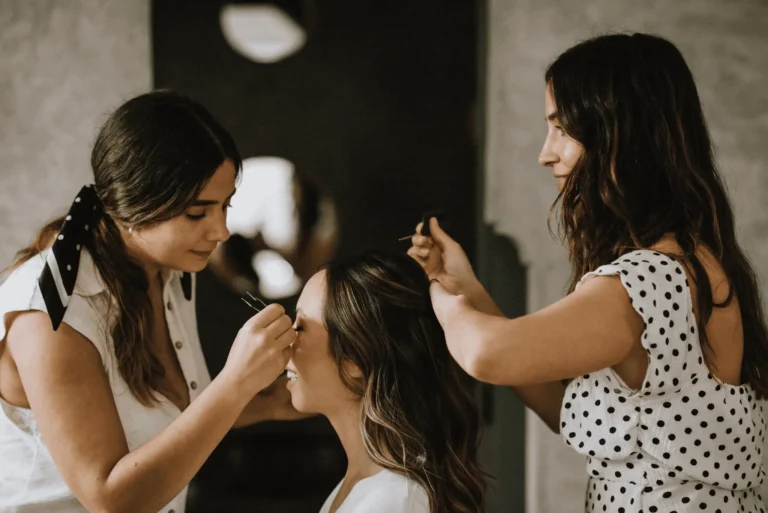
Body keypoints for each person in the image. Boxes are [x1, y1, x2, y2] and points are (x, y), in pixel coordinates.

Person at [409, 33, 767, 511]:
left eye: (563, 129)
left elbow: (488, 353)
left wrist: (441, 298)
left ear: (621, 135)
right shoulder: (695, 262)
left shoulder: (646, 281)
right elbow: (570, 412)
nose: (546, 153)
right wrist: (467, 288)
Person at [0, 90, 302, 513]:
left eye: (225, 206)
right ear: (133, 205)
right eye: (198, 213)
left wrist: (275, 402)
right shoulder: (51, 309)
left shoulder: (170, 271)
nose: (222, 231)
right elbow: (111, 498)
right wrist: (235, 381)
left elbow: (177, 415)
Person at [285, 251, 486, 513]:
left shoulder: (392, 501)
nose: (286, 343)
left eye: (300, 327)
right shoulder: (362, 488)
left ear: (354, 359)